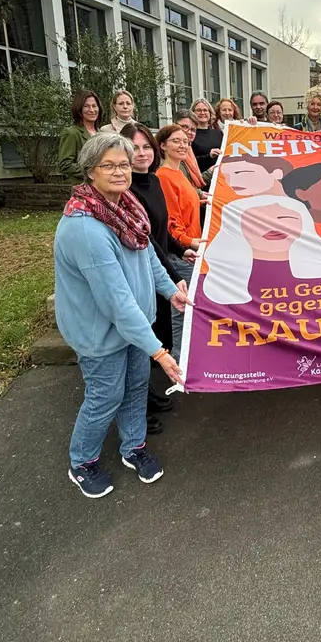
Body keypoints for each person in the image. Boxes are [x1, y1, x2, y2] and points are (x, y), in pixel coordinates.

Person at [53, 132, 187, 498]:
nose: (119, 172)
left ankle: (134, 448)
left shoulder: (126, 208)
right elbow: (115, 301)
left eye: (124, 164)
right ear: (90, 172)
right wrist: (159, 351)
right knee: (105, 395)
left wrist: (172, 290)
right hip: (100, 332)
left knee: (135, 388)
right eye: (108, 165)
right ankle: (81, 461)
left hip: (134, 326)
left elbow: (148, 257)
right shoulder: (85, 228)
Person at [119, 121, 192, 428]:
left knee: (158, 335)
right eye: (134, 147)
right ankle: (137, 411)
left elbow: (160, 231)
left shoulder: (153, 181)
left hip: (158, 271)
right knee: (138, 346)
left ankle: (146, 394)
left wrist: (181, 248)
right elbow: (146, 243)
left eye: (146, 146)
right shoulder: (127, 190)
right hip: (142, 274)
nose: (142, 153)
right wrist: (173, 274)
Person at [155, 124, 207, 253]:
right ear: (163, 146)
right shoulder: (163, 176)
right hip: (185, 249)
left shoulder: (179, 173)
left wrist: (198, 203)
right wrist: (187, 242)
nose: (183, 146)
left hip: (194, 242)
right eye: (176, 141)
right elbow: (171, 219)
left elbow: (181, 203)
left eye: (186, 142)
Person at [56, 89, 103, 179]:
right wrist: (91, 173)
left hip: (102, 187)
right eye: (86, 106)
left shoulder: (102, 133)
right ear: (79, 109)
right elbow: (65, 165)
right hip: (83, 187)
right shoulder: (71, 133)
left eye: (94, 106)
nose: (92, 110)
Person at [191, 98, 224, 174]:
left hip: (219, 178)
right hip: (201, 179)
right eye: (199, 110)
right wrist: (209, 156)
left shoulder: (219, 134)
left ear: (210, 113)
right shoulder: (190, 135)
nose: (202, 113)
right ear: (193, 113)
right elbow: (190, 162)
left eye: (205, 110)